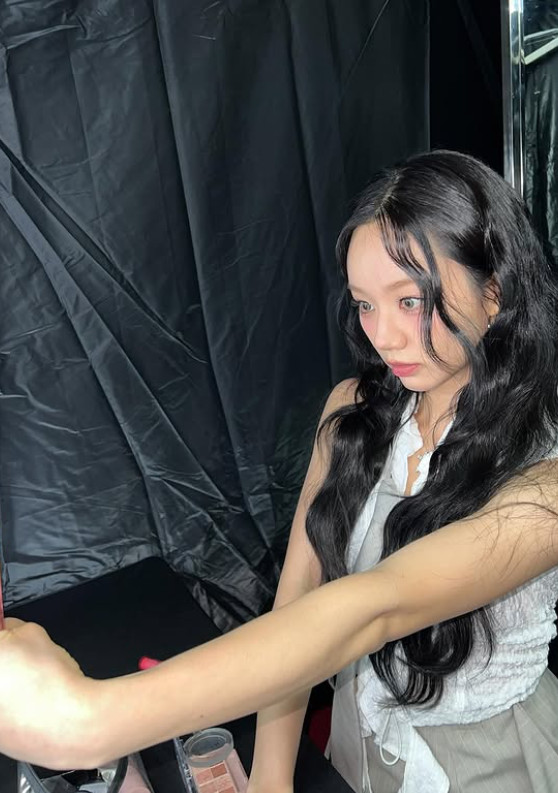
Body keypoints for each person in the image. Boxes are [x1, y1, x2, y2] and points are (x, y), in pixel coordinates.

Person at [1, 150, 558, 792]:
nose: (384, 337)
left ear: (495, 291)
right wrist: (271, 778)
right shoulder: (355, 416)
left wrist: (86, 721)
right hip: (360, 738)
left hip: (490, 766)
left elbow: (376, 606)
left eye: (410, 300)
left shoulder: (544, 476)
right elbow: (295, 604)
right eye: (365, 306)